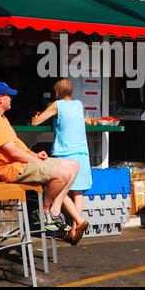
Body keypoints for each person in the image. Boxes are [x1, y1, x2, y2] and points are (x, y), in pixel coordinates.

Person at [0, 81, 87, 234]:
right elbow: (13, 152)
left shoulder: (0, 118)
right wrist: (37, 161)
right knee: (64, 174)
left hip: (21, 164)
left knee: (74, 165)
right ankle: (44, 211)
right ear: (0, 98)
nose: (11, 99)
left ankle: (54, 211)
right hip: (14, 169)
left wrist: (34, 155)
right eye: (8, 95)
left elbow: (16, 147)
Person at [32, 78, 92, 245]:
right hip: (82, 152)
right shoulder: (79, 104)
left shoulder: (57, 105)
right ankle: (73, 231)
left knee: (59, 188)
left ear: (57, 93)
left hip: (64, 153)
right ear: (71, 92)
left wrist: (35, 117)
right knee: (78, 193)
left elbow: (36, 122)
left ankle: (79, 221)